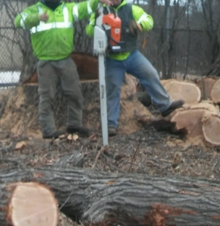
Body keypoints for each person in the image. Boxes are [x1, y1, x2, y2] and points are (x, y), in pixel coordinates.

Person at [86, 0, 184, 136]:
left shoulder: (131, 9)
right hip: (112, 58)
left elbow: (148, 20)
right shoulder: (99, 11)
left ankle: (165, 105)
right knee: (112, 90)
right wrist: (97, 24)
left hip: (132, 55)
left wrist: (139, 25)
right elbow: (89, 30)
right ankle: (111, 125)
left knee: (150, 73)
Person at [15, 0, 111, 139]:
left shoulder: (67, 9)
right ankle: (48, 130)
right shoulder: (34, 10)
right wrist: (37, 18)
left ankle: (74, 124)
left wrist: (97, 1)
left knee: (75, 93)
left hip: (66, 59)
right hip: (46, 61)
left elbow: (84, 8)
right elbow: (19, 21)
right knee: (47, 97)